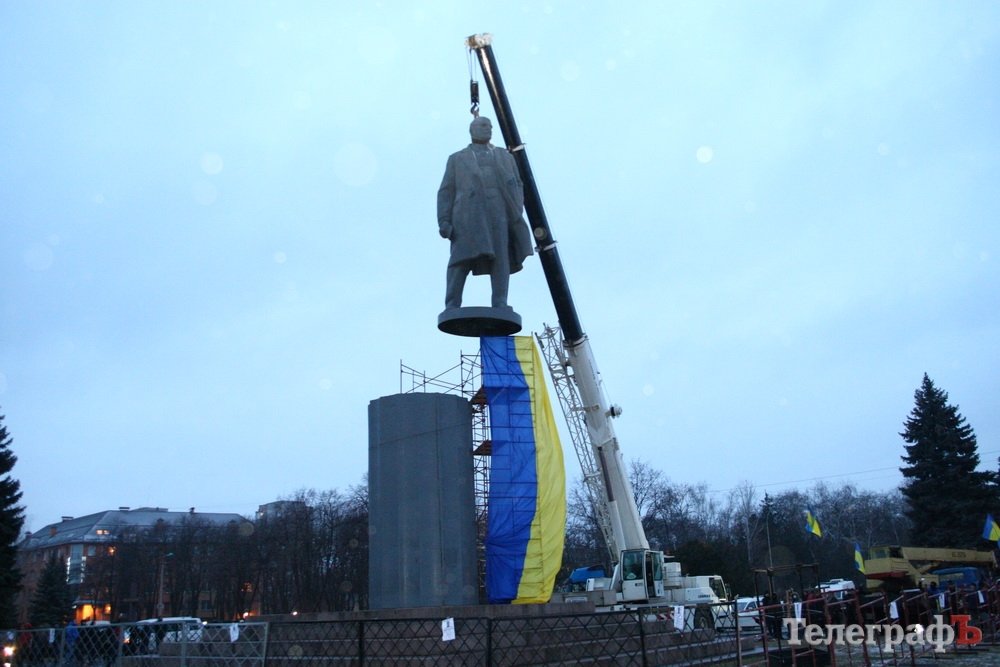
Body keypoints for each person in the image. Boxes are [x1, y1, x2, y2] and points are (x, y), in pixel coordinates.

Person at [437, 116, 533, 310]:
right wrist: (444, 220)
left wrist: (517, 206)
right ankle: (452, 304)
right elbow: (446, 191)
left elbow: (518, 183)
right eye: (483, 125)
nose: (488, 129)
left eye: (490, 126)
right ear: (472, 130)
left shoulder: (504, 156)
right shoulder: (457, 158)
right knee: (460, 259)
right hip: (467, 215)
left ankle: (500, 302)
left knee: (501, 258)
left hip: (499, 212)